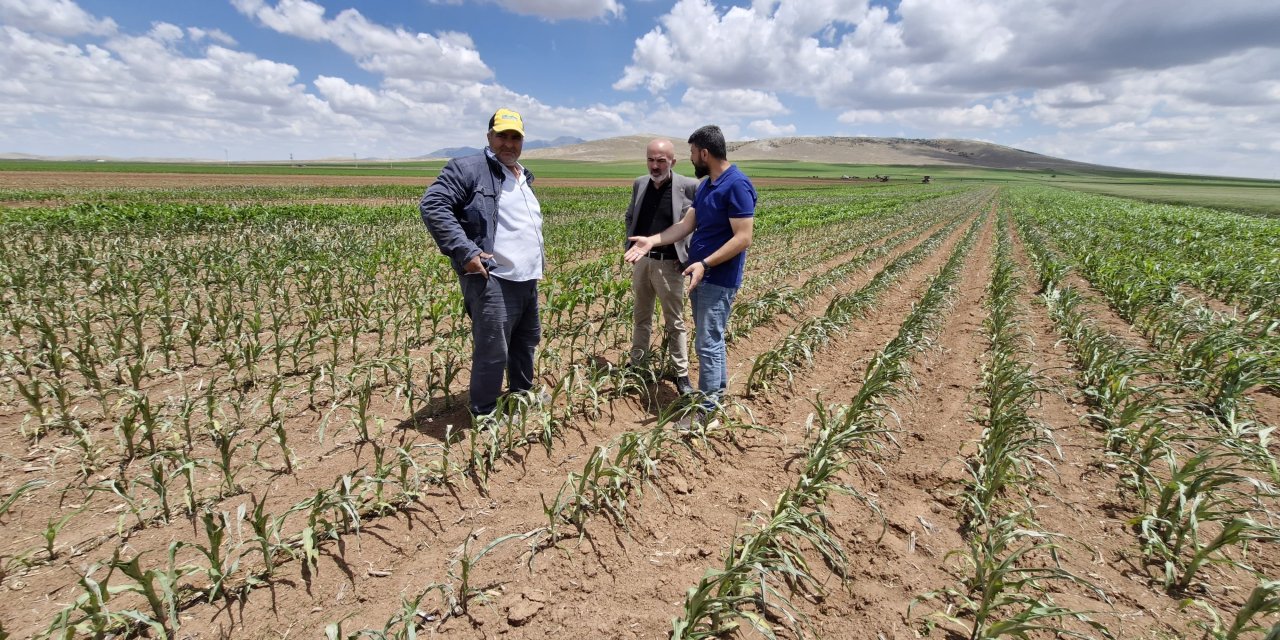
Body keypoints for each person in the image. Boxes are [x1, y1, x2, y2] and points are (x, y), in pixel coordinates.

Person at [420, 108, 544, 417]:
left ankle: (520, 397)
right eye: (502, 135)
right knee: (493, 350)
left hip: (526, 277)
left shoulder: (522, 175)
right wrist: (466, 252)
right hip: (494, 278)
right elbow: (433, 205)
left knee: (525, 343)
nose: (508, 143)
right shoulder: (469, 168)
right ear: (489, 136)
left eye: (515, 137)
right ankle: (484, 413)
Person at [624, 125, 756, 409]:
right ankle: (715, 397)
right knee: (711, 341)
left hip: (717, 276)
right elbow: (685, 225)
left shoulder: (737, 184)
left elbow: (744, 237)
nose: (692, 158)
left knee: (707, 344)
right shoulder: (709, 185)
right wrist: (651, 241)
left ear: (704, 153)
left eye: (693, 152)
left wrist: (704, 263)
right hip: (701, 276)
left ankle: (707, 409)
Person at [624, 138, 700, 395]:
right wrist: (630, 248)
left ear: (673, 162)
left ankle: (681, 374)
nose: (654, 166)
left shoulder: (690, 186)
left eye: (661, 161)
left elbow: (696, 225)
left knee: (674, 322)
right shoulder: (639, 183)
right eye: (651, 160)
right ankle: (637, 365)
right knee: (641, 318)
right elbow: (630, 216)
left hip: (670, 265)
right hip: (642, 263)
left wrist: (687, 256)